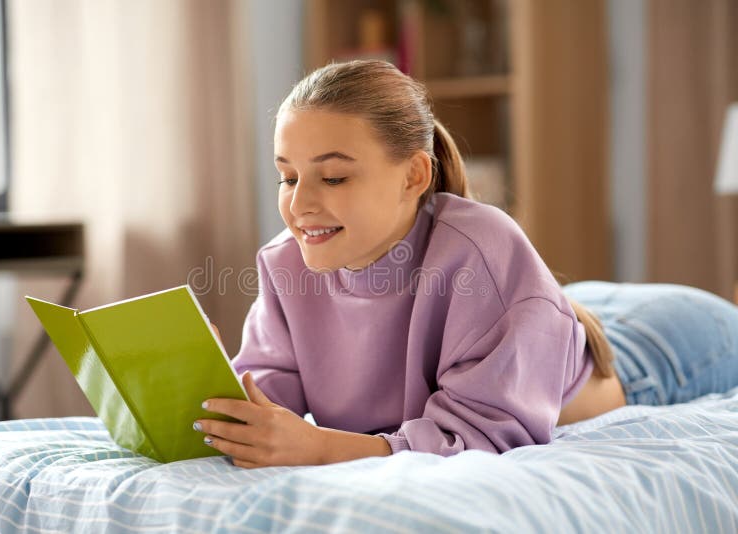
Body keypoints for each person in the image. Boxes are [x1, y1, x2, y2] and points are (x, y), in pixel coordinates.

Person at [192, 60, 738, 469]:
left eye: (333, 177)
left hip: (662, 348)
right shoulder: (285, 263)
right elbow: (267, 390)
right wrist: (202, 386)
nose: (300, 203)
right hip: (553, 322)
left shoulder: (480, 247)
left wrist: (322, 449)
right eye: (287, 176)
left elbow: (483, 434)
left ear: (413, 175)